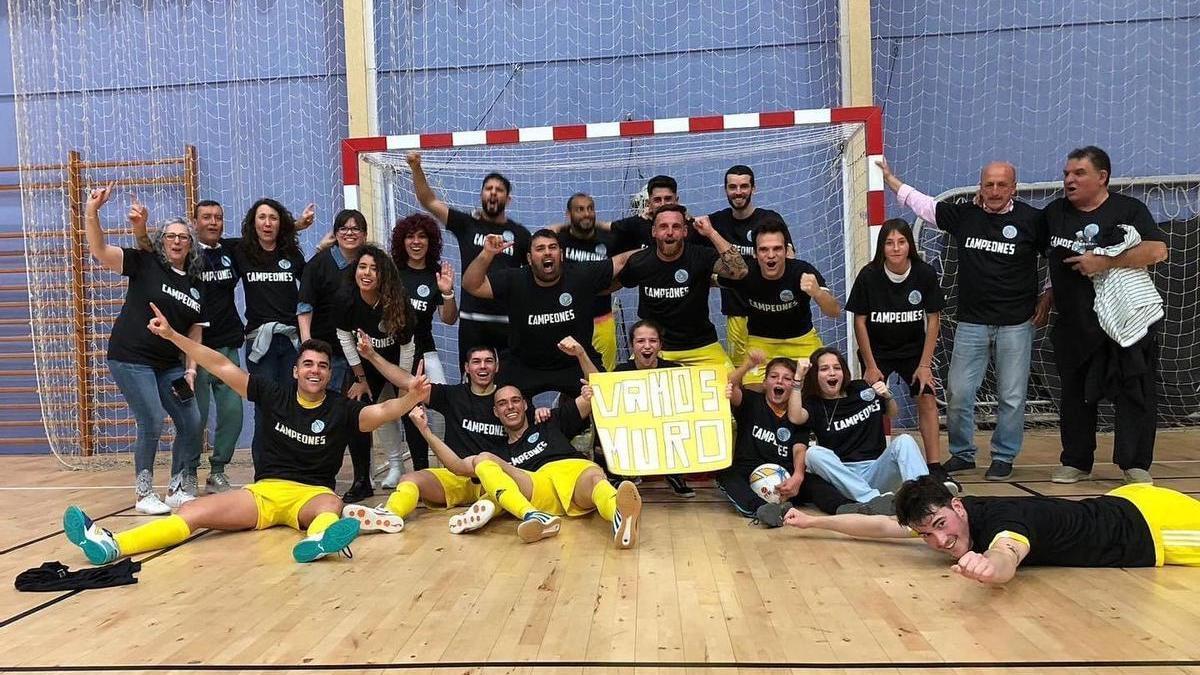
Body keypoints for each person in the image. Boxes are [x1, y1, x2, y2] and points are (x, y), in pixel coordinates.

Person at [62, 305, 432, 566]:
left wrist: (411, 396)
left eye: (322, 366)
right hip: (264, 493)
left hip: (313, 495)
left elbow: (382, 412)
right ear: (295, 371)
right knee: (191, 511)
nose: (316, 371)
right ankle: (113, 545)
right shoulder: (272, 393)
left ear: (327, 374)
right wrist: (176, 337)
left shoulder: (341, 408)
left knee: (330, 507)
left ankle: (319, 542)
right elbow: (221, 365)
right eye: (308, 364)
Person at [879, 158, 1047, 481]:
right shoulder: (965, 215)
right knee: (957, 392)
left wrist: (1049, 293)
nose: (995, 191)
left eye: (1002, 185)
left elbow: (1055, 256)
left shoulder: (1033, 220)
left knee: (1011, 395)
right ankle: (962, 453)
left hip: (1016, 323)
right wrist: (891, 180)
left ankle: (1003, 455)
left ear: (1014, 187)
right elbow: (925, 207)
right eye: (989, 184)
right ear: (980, 187)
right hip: (971, 322)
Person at [783, 475, 1200, 584]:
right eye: (926, 535)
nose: (938, 541)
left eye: (940, 528)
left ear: (957, 507)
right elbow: (877, 524)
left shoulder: (1004, 524)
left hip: (1151, 529)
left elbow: (1006, 557)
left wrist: (987, 569)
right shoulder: (950, 516)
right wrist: (813, 521)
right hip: (1126, 501)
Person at [1039, 147, 1168, 485]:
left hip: (1124, 323)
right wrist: (1048, 293)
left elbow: (1157, 250)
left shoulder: (1129, 210)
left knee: (1134, 392)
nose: (1069, 179)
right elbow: (1049, 255)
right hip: (1075, 325)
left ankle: (1134, 463)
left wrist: (1105, 262)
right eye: (1067, 173)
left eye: (1078, 173)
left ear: (1102, 177)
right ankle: (1076, 461)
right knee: (1075, 396)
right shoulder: (1055, 213)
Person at [85, 185, 205, 514]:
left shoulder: (196, 285)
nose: (178, 240)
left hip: (170, 365)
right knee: (152, 419)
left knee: (192, 420)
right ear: (161, 240)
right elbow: (99, 250)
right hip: (131, 358)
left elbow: (194, 332)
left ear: (191, 244)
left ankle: (180, 486)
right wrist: (92, 212)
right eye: (171, 235)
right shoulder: (145, 263)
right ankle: (143, 493)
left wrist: (191, 370)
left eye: (184, 236)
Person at [419, 381, 644, 549]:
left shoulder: (549, 421)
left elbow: (590, 397)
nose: (510, 407)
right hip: (537, 484)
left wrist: (583, 364)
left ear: (525, 404)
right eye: (502, 403)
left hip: (573, 471)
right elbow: (458, 466)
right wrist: (426, 432)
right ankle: (533, 516)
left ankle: (618, 515)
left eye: (515, 400)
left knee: (595, 481)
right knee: (484, 459)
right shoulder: (501, 451)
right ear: (496, 412)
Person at [132, 200, 244, 494]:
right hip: (190, 348)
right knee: (195, 417)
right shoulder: (184, 256)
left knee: (233, 413)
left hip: (227, 345)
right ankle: (187, 473)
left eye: (218, 217)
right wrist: (140, 227)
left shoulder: (232, 251)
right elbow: (148, 248)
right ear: (194, 224)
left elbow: (267, 238)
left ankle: (218, 470)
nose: (213, 222)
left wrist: (297, 226)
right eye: (206, 217)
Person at [344, 343, 510, 532]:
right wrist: (372, 355)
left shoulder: (508, 399)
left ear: (496, 367)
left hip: (491, 477)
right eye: (476, 362)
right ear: (466, 368)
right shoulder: (453, 395)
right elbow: (406, 381)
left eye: (488, 361)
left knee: (503, 490)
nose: (482, 366)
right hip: (455, 476)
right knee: (409, 479)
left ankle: (479, 514)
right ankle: (390, 514)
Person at [845, 218, 951, 488]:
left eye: (901, 242)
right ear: (882, 246)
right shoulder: (869, 275)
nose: (895, 248)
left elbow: (934, 319)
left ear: (909, 245)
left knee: (927, 398)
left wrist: (925, 364)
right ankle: (876, 462)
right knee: (873, 402)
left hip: (914, 351)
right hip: (878, 350)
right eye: (889, 242)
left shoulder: (924, 273)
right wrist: (870, 365)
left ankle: (934, 466)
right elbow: (860, 321)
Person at [462, 229, 631, 397]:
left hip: (574, 363)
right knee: (502, 398)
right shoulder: (515, 279)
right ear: (529, 258)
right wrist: (487, 254)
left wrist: (656, 250)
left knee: (603, 396)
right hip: (524, 365)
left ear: (561, 255)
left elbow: (622, 262)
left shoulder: (580, 274)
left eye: (552, 247)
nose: (547, 252)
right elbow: (471, 285)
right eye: (540, 248)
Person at [406, 151, 531, 366]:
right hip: (472, 321)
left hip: (508, 323)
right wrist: (416, 167)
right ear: (481, 194)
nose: (493, 193)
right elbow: (428, 200)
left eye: (499, 190)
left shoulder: (520, 235)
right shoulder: (467, 225)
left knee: (510, 390)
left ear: (508, 198)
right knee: (472, 387)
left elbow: (533, 277)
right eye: (488, 189)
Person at [791, 347, 935, 515]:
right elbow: (795, 417)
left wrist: (888, 396)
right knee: (813, 453)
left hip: (877, 469)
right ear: (814, 375)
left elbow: (892, 413)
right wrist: (798, 378)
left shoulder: (860, 388)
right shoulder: (814, 404)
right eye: (824, 369)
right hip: (844, 477)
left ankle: (926, 497)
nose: (832, 373)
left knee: (905, 440)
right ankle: (873, 500)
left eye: (837, 368)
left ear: (844, 372)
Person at [717, 351, 852, 526]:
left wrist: (797, 477)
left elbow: (799, 448)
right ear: (764, 383)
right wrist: (748, 365)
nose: (780, 381)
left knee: (814, 482)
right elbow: (728, 384)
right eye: (774, 376)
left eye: (787, 379)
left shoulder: (798, 413)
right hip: (748, 472)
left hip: (786, 477)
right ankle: (763, 510)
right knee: (727, 474)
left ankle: (848, 508)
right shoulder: (751, 402)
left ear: (796, 385)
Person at [616, 204, 748, 370]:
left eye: (676, 226)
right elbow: (613, 283)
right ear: (653, 232)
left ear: (685, 231)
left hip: (701, 346)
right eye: (663, 227)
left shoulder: (701, 255)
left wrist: (711, 233)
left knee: (731, 389)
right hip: (658, 349)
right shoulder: (639, 262)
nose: (670, 232)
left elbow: (740, 271)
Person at [334, 245, 417, 503]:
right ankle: (363, 479)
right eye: (362, 267)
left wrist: (404, 384)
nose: (367, 273)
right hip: (364, 364)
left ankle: (421, 471)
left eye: (374, 268)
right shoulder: (346, 298)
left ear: (383, 275)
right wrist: (360, 379)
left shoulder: (396, 300)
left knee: (409, 408)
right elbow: (344, 338)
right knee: (355, 409)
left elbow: (407, 345)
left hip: (397, 361)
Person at [718, 219, 838, 381]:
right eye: (764, 250)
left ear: (786, 250)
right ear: (755, 253)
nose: (771, 255)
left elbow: (834, 312)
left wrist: (817, 292)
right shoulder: (745, 273)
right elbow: (706, 279)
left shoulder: (802, 270)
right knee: (753, 395)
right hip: (761, 344)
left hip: (802, 341)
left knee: (818, 386)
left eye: (777, 249)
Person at [389, 212, 458, 480]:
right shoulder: (391, 272)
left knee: (439, 407)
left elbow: (449, 319)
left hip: (425, 351)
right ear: (402, 241)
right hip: (391, 354)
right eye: (410, 236)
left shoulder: (436, 274)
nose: (416, 242)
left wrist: (448, 292)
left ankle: (440, 465)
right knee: (399, 411)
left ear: (430, 242)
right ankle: (406, 468)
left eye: (422, 237)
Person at [706, 165, 793, 366]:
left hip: (772, 310)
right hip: (738, 314)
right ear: (725, 190)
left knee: (780, 369)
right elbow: (692, 259)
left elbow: (789, 258)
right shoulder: (715, 222)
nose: (738, 192)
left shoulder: (770, 219)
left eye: (744, 186)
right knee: (744, 373)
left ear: (754, 188)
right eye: (733, 187)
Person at [233, 198, 311, 385]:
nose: (267, 223)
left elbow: (311, 285)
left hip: (291, 338)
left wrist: (322, 249)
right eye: (262, 217)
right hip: (258, 339)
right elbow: (210, 245)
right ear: (253, 223)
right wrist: (297, 225)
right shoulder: (241, 251)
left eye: (273, 218)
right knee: (266, 403)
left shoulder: (291, 253)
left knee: (292, 400)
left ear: (281, 223)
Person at [299, 209, 367, 391]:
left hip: (364, 353)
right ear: (336, 234)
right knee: (327, 406)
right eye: (344, 229)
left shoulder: (370, 264)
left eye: (356, 229)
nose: (350, 233)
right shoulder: (318, 264)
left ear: (365, 235)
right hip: (328, 352)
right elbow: (304, 306)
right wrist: (308, 344)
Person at [558, 193, 620, 372]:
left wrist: (597, 291)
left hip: (602, 320)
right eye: (580, 209)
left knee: (604, 378)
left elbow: (623, 275)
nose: (587, 214)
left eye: (590, 209)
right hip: (568, 321)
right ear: (569, 215)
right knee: (570, 378)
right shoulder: (558, 240)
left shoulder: (609, 240)